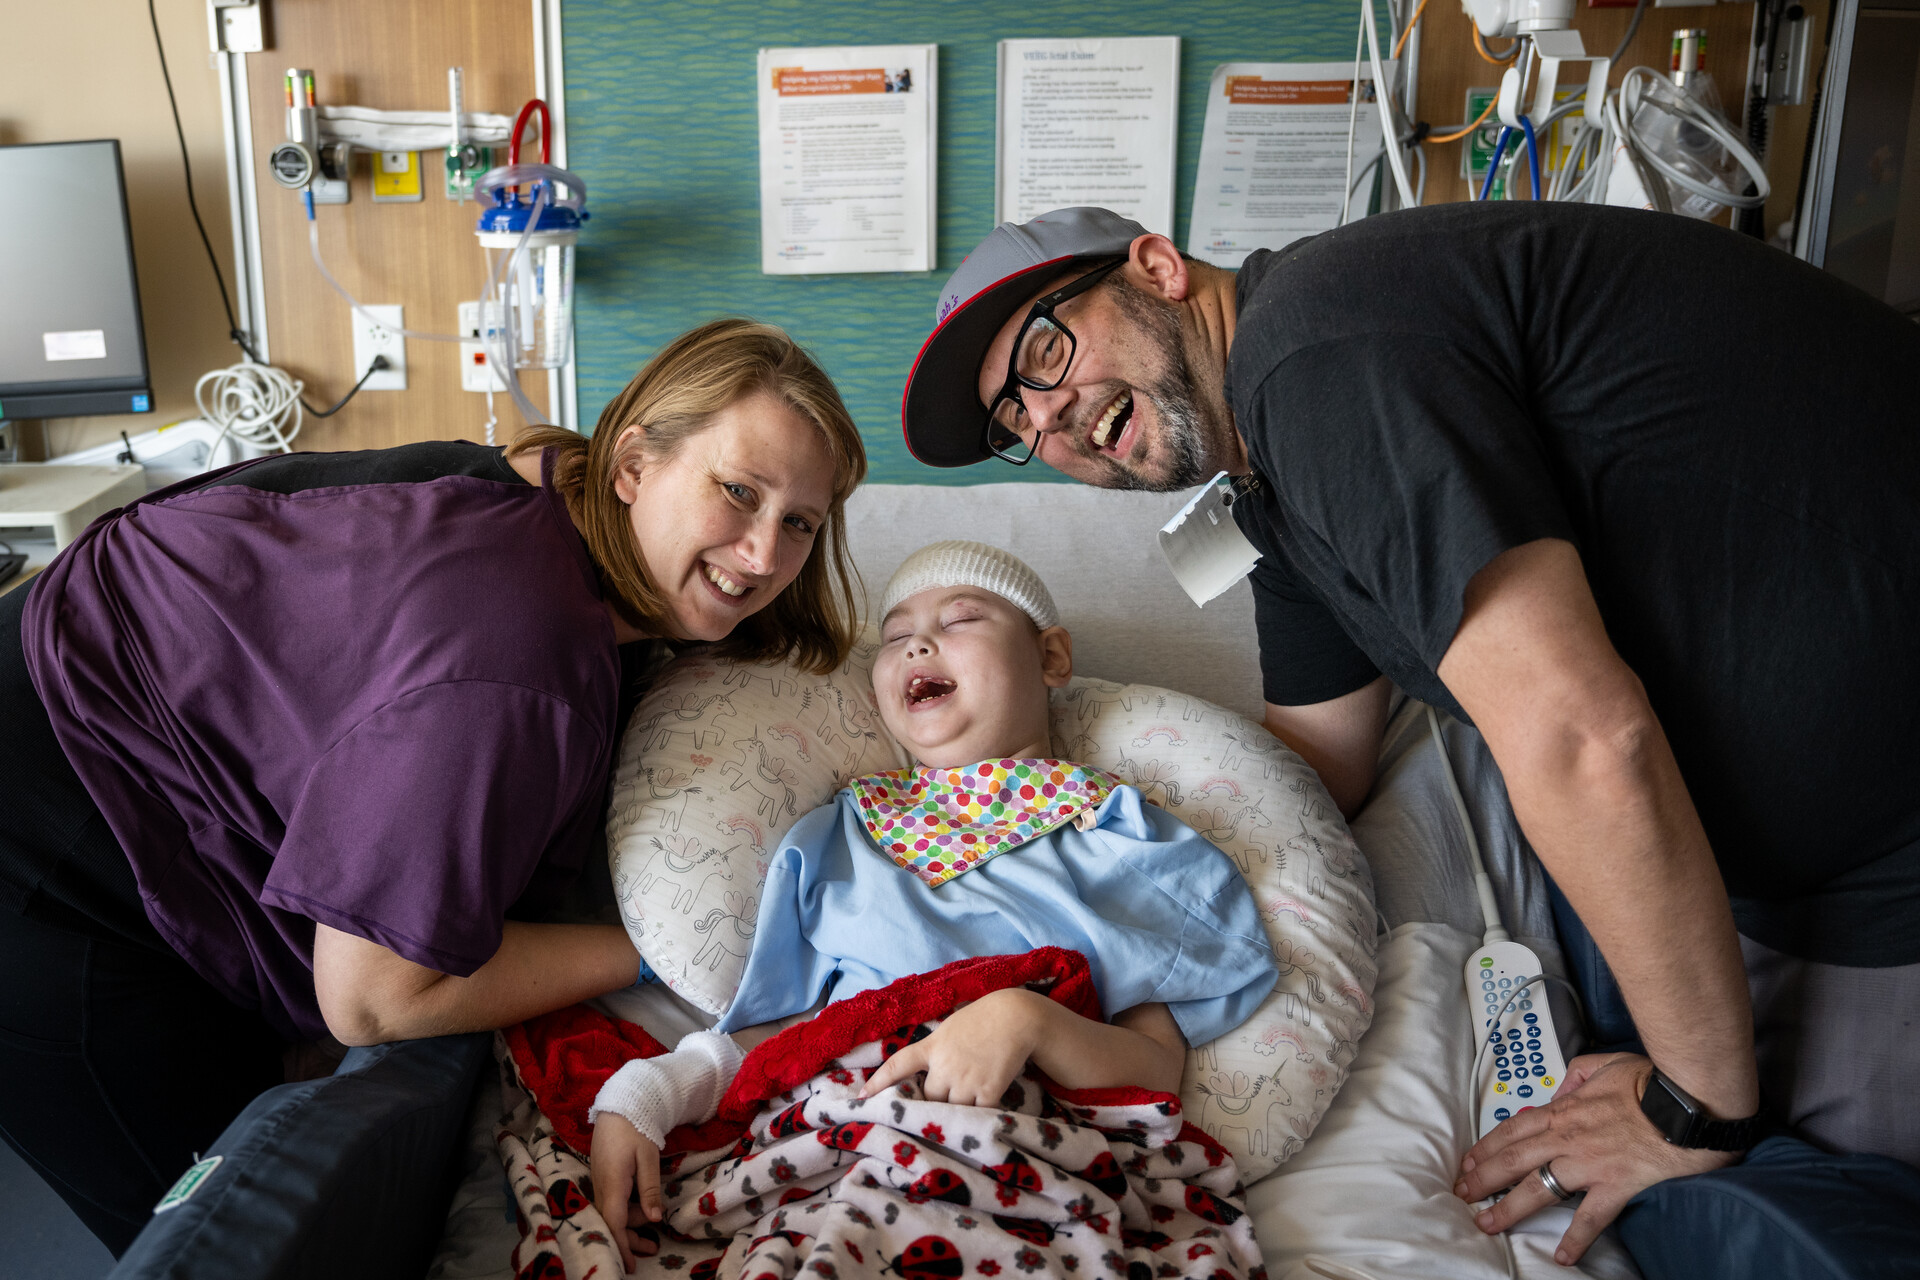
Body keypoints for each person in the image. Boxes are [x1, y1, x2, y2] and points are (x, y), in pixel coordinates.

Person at [897, 203, 1920, 1263]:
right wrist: (1058, 825)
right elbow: (1309, 769)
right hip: (1791, 870)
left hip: (1887, 830)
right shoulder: (1275, 498)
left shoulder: (1322, 351)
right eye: (1013, 423)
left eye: (1044, 352)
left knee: (1775, 1216)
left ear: (1156, 269)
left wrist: (1691, 1105)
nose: (1048, 419)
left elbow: (1581, 738)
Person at [0, 318, 868, 1254]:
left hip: (96, 706)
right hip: (40, 843)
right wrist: (651, 949)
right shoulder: (518, 659)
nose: (763, 556)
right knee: (245, 1249)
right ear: (631, 466)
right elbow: (375, 998)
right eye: (737, 493)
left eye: (799, 523)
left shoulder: (545, 495)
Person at [588, 540, 1278, 1270]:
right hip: (851, 1150)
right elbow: (789, 1035)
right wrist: (650, 1092)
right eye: (894, 636)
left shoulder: (1120, 840)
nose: (919, 640)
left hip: (1036, 1167)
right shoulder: (840, 838)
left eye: (962, 618)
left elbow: (1153, 1077)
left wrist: (1028, 1020)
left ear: (1050, 658)